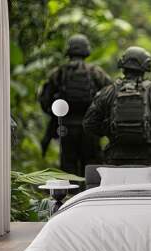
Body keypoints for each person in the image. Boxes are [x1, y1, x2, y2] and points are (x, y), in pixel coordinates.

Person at [83, 46, 151, 165]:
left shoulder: (108, 91)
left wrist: (108, 130)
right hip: (147, 157)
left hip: (115, 155)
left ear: (123, 66)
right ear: (146, 67)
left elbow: (89, 123)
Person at [38, 34, 112, 176]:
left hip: (66, 126)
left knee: (68, 167)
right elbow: (110, 94)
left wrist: (56, 115)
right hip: (90, 128)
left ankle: (70, 197)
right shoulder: (96, 72)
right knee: (91, 167)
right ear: (86, 50)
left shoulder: (59, 72)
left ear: (69, 50)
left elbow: (44, 99)